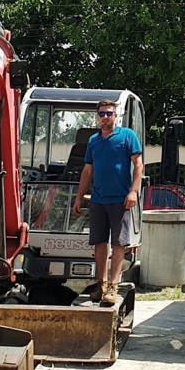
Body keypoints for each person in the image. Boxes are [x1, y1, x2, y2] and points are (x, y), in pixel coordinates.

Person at [73, 99, 143, 306]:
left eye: (109, 114)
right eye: (102, 114)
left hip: (120, 200)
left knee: (119, 243)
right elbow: (87, 171)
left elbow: (138, 164)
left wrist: (133, 192)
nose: (105, 117)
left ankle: (114, 285)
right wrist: (79, 197)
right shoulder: (94, 141)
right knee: (99, 243)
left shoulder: (127, 136)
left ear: (115, 115)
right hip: (98, 200)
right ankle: (101, 284)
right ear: (97, 116)